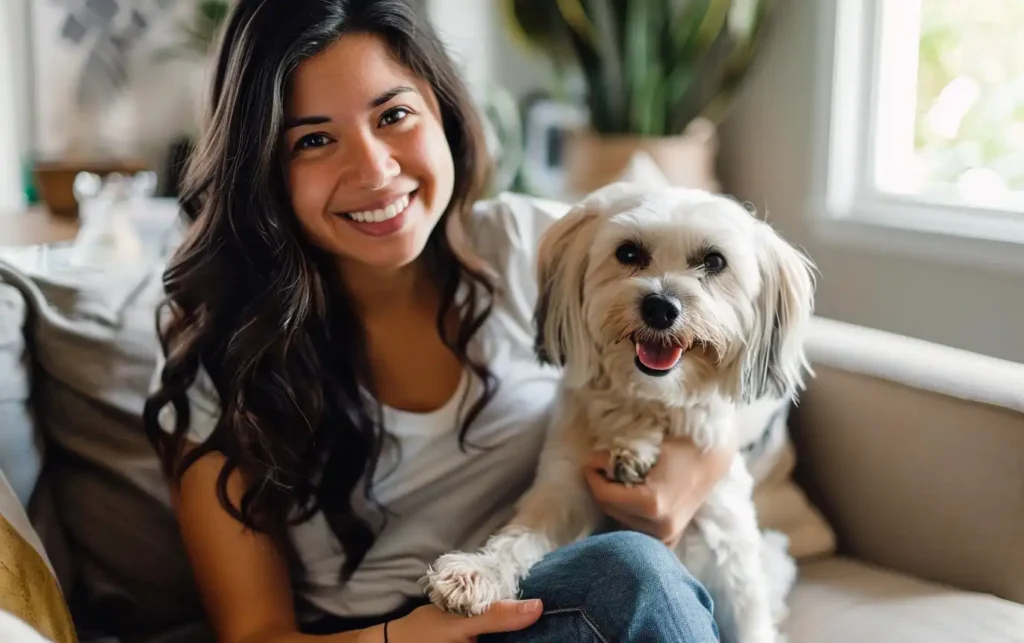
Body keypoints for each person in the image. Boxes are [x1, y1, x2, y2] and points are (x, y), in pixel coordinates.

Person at [144, 1, 734, 642]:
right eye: (314, 139)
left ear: (444, 113)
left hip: (534, 605)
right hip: (366, 638)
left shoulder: (531, 246)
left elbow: (735, 346)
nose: (374, 170)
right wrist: (404, 638)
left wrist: (698, 466)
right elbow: (254, 634)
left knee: (630, 569)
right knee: (630, 570)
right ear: (262, 170)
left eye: (393, 115)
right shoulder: (218, 355)